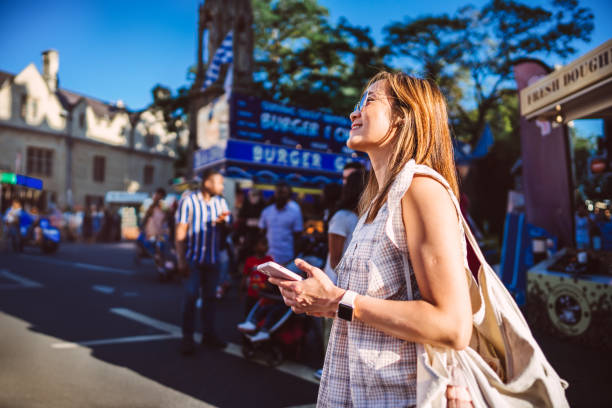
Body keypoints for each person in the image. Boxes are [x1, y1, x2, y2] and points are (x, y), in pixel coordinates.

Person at [270, 71, 474, 407]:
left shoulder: (421, 188)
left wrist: (337, 301)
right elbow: (370, 307)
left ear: (403, 117)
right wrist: (322, 302)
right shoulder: (377, 201)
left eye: (370, 100)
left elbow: (452, 325)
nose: (354, 112)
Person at [175, 169, 231, 355]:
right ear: (207, 183)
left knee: (210, 298)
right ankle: (187, 338)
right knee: (190, 298)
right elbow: (181, 230)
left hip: (213, 259)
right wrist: (181, 259)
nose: (222, 186)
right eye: (219, 182)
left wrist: (223, 224)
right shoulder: (188, 200)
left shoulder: (221, 202)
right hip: (193, 259)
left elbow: (225, 231)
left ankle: (209, 335)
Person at [258, 182, 303, 266]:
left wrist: (295, 259)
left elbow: (298, 236)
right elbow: (262, 233)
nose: (281, 196)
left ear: (289, 195)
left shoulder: (295, 211)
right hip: (269, 257)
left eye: (284, 193)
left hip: (287, 259)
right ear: (275, 194)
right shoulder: (267, 211)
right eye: (279, 193)